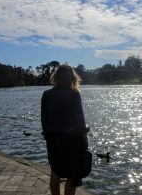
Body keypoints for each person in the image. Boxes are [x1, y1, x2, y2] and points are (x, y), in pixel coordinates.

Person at [41, 64, 88, 195]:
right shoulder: (74, 94)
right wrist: (84, 141)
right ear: (72, 78)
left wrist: (48, 137)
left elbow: (44, 120)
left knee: (55, 173)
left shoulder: (47, 94)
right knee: (72, 176)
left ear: (55, 77)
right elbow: (80, 120)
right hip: (72, 140)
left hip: (53, 140)